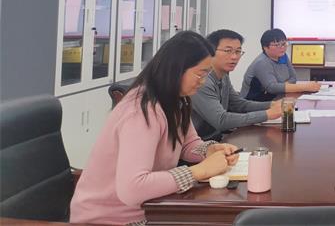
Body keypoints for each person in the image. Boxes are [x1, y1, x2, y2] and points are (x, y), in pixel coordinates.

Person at [70, 31, 240, 225]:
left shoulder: (176, 100)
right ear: (177, 69)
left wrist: (209, 150)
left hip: (151, 208)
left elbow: (187, 144)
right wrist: (198, 171)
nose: (202, 81)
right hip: (110, 219)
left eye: (206, 74)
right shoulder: (142, 111)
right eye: (200, 74)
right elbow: (133, 188)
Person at [191, 29, 283, 141]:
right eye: (228, 51)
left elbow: (238, 104)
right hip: (200, 144)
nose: (234, 57)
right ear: (211, 51)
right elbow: (221, 120)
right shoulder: (202, 81)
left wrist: (272, 105)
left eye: (238, 51)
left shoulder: (223, 75)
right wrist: (267, 114)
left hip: (217, 138)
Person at [240, 28, 321, 101]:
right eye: (277, 45)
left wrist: (281, 86)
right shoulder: (262, 62)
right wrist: (305, 87)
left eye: (284, 44)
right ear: (265, 47)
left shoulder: (283, 56)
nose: (282, 47)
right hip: (254, 102)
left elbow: (293, 78)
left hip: (276, 97)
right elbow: (272, 87)